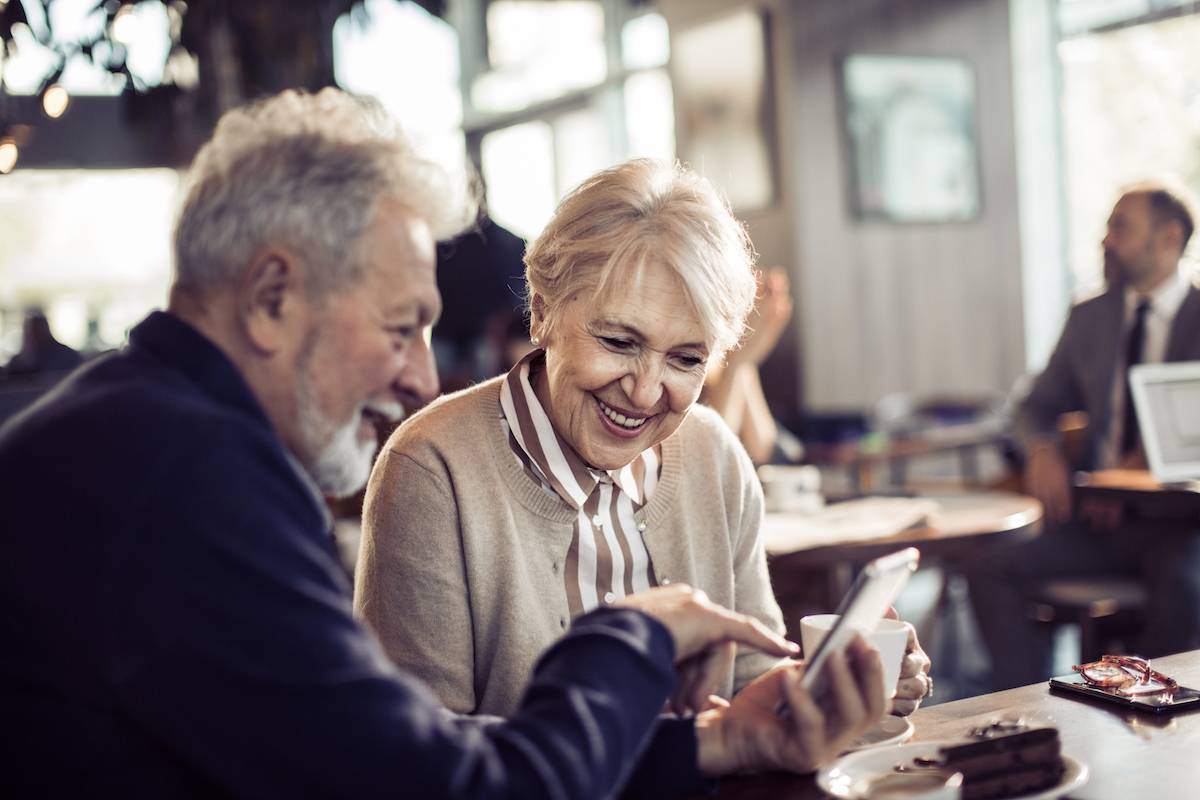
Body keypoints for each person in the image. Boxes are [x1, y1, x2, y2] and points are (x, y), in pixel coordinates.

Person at [0, 89, 890, 797]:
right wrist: (632, 635)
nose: (422, 379)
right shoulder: (185, 483)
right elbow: (429, 785)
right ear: (273, 299)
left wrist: (728, 737)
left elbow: (386, 758)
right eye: (401, 327)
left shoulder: (147, 433)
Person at [356, 158, 932, 719]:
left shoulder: (715, 456)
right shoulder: (431, 469)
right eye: (619, 342)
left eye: (685, 359)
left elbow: (749, 685)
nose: (644, 391)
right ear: (542, 312)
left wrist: (838, 687)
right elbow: (420, 757)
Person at [968, 180, 1200, 690]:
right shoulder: (1091, 317)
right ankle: (1028, 714)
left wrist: (1150, 468)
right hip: (1100, 520)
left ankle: (1167, 722)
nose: (1106, 240)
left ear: (1168, 238)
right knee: (990, 566)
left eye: (1120, 227)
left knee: (1185, 587)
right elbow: (1034, 405)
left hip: (1184, 525)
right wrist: (1043, 447)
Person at [702, 265, 804, 465]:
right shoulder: (692, 362)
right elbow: (711, 458)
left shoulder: (724, 362)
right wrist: (738, 361)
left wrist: (743, 360)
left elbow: (763, 448)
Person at [1, 309, 83, 377]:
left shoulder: (67, 356)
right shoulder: (19, 360)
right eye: (30, 330)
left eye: (37, 329)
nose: (33, 334)